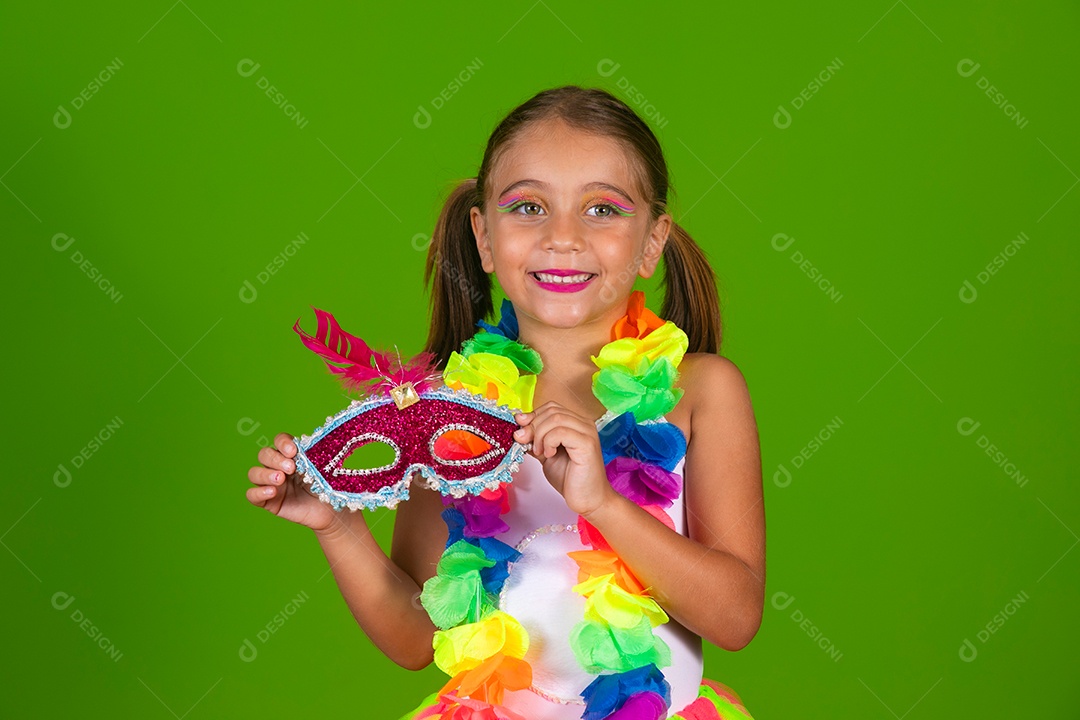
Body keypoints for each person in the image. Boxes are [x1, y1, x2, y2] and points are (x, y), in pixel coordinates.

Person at [246, 85, 765, 720]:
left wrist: (603, 504)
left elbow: (735, 617)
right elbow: (417, 639)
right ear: (484, 237)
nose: (563, 237)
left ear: (652, 241)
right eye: (528, 207)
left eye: (602, 209)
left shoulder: (702, 390)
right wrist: (336, 524)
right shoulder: (446, 410)